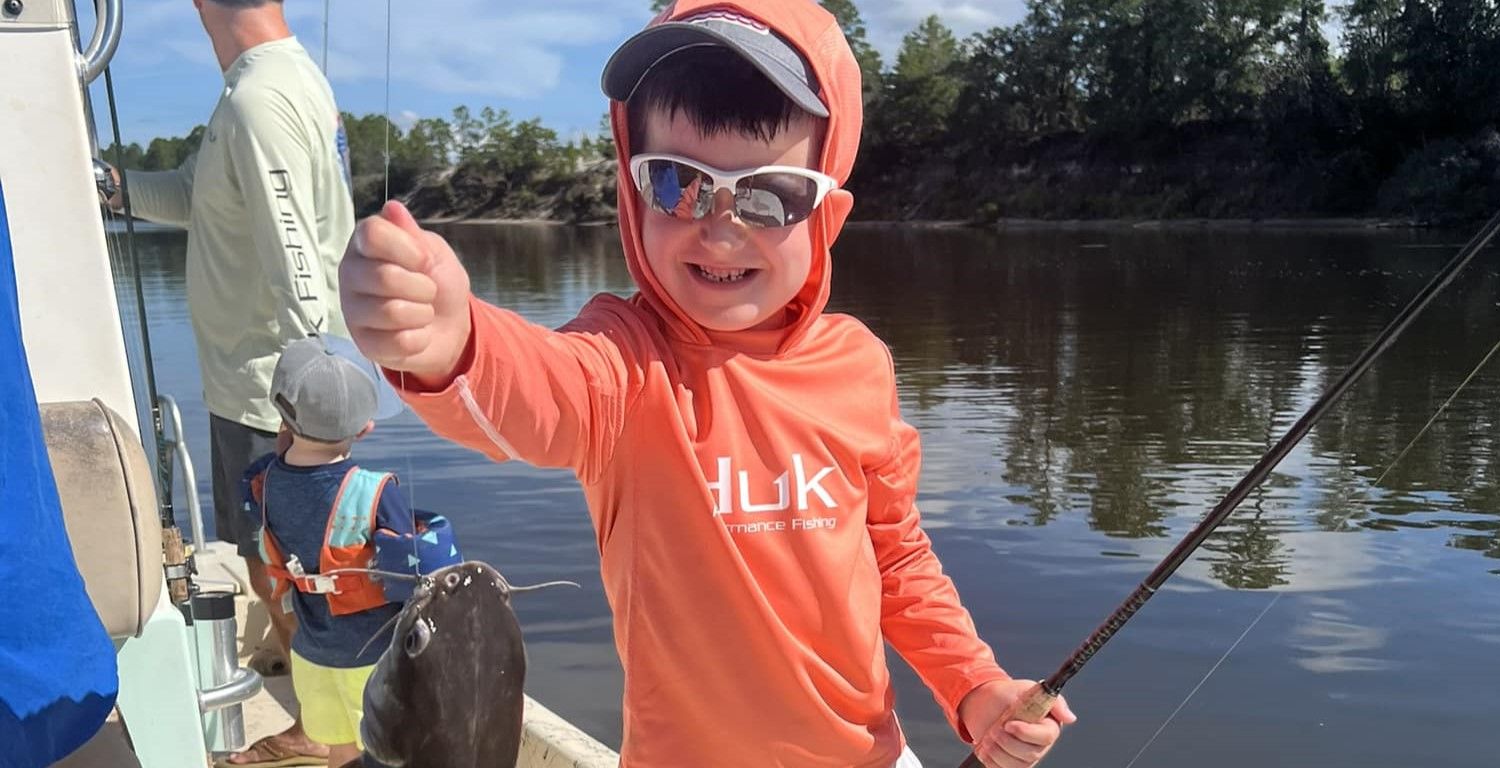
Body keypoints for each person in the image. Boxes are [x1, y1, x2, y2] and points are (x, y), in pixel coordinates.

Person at [338, 1, 1075, 766]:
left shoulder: (859, 366)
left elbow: (897, 560)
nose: (720, 225)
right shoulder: (624, 364)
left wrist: (974, 684)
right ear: (631, 190)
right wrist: (451, 342)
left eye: (770, 194)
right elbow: (541, 387)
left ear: (828, 212)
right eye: (676, 183)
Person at [107, 0, 354, 763]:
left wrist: (311, 413)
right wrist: (109, 184)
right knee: (275, 563)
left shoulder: (256, 99)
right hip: (257, 384)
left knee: (277, 568)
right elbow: (195, 197)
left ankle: (328, 734)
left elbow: (296, 259)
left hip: (269, 390)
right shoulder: (264, 85)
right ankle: (326, 711)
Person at [240, 337, 412, 768]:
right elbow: (412, 570)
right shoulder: (376, 492)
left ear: (282, 415)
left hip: (311, 655)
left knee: (340, 750)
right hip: (371, 660)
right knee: (383, 753)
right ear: (365, 428)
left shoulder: (262, 484)